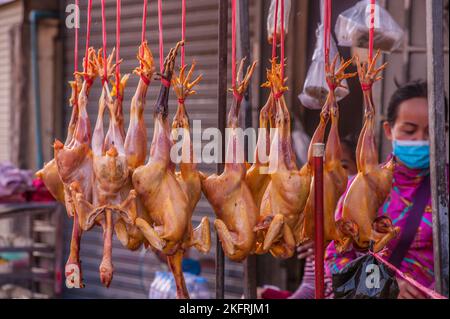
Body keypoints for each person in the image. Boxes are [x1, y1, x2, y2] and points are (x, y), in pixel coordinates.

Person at [325, 80, 448, 299]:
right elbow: (336, 258)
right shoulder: (364, 187)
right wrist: (384, 285)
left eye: (431, 131)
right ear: (389, 130)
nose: (419, 139)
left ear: (444, 132)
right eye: (409, 130)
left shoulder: (445, 187)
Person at [288, 135, 358, 299]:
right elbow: (310, 285)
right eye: (325, 169)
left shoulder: (371, 220)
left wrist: (329, 244)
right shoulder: (317, 223)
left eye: (344, 166)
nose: (334, 176)